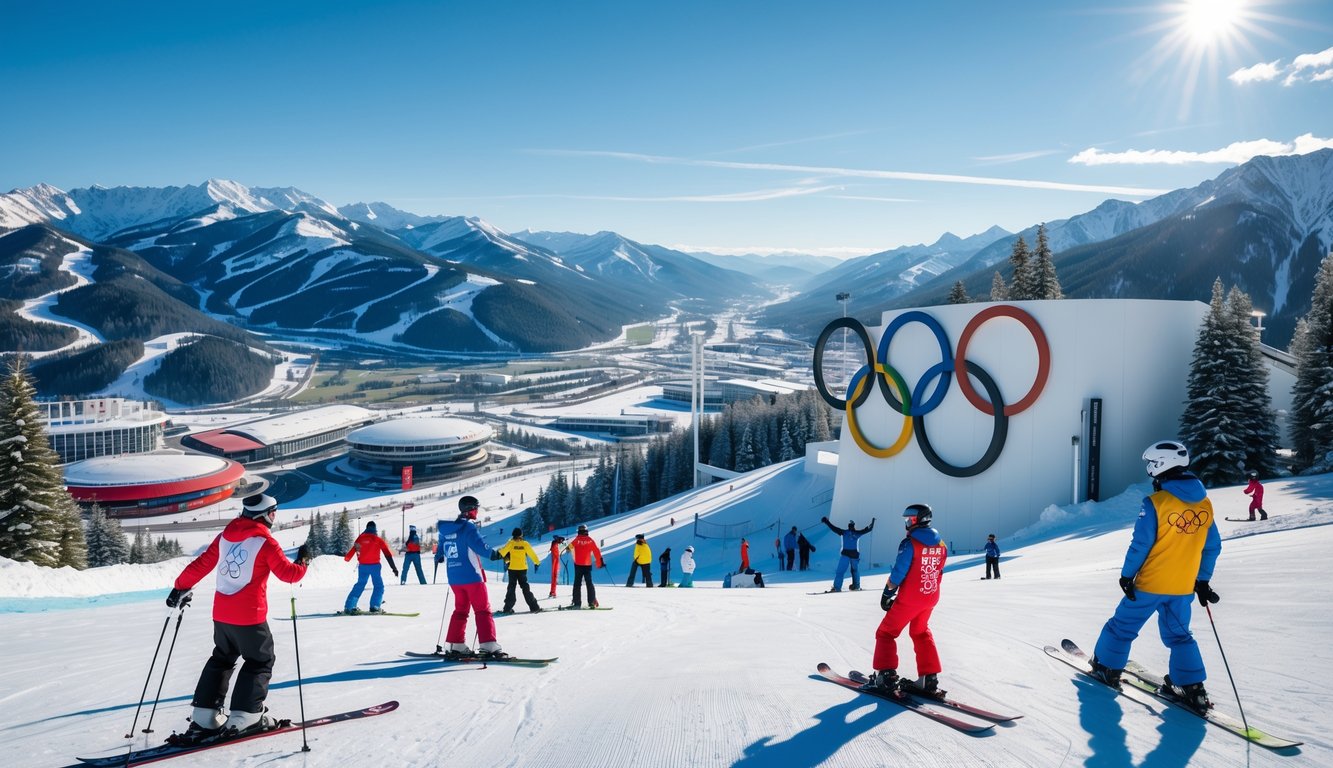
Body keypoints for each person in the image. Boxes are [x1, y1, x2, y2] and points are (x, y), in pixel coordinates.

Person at [1089, 441, 1222, 713]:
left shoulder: (1155, 503)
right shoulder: (1205, 505)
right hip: (1182, 587)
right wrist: (1202, 580)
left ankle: (1106, 667)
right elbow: (1212, 546)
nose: (1149, 469)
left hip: (1150, 584)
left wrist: (1127, 575)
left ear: (1161, 465)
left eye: (1152, 464)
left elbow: (1141, 544)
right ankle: (1190, 686)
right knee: (1180, 636)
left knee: (1122, 626)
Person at [166, 494, 311, 740]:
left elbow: (202, 564)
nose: (274, 518)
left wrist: (179, 586)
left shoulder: (225, 537)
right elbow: (289, 575)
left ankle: (204, 716)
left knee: (222, 658)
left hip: (222, 615)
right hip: (249, 617)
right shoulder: (266, 543)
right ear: (264, 515)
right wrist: (304, 562)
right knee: (260, 660)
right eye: (273, 513)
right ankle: (246, 716)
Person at [861, 504, 947, 695]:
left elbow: (899, 572)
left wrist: (887, 593)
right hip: (930, 596)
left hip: (910, 598)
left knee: (886, 633)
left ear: (918, 520)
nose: (907, 523)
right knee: (920, 632)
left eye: (910, 519)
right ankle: (928, 678)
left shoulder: (910, 543)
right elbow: (938, 570)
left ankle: (886, 676)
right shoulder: (941, 544)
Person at [435, 496, 506, 658]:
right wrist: (495, 554)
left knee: (460, 610)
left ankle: (455, 644)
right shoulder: (468, 528)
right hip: (472, 576)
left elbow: (440, 549)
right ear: (470, 510)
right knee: (482, 610)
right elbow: (480, 546)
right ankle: (488, 645)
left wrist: (439, 556)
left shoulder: (447, 529)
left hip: (454, 578)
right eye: (476, 508)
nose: (477, 511)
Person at [343, 521, 398, 614]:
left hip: (363, 566)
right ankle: (375, 606)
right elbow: (387, 554)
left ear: (367, 528)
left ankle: (349, 606)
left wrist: (347, 558)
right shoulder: (377, 539)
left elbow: (350, 554)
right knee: (378, 586)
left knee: (360, 585)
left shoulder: (360, 539)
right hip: (375, 567)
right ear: (374, 528)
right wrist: (394, 568)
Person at [821, 516, 875, 591]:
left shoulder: (844, 532)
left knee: (840, 571)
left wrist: (827, 522)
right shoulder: (857, 533)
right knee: (854, 571)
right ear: (854, 526)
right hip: (854, 555)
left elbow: (834, 528)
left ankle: (837, 588)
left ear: (849, 526)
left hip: (846, 554)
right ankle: (856, 586)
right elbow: (868, 529)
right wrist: (872, 523)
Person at [497, 528, 543, 614]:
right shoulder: (525, 544)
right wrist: (537, 562)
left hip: (512, 569)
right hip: (522, 569)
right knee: (525, 587)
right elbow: (532, 554)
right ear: (521, 535)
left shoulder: (510, 543)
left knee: (511, 588)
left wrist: (501, 553)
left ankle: (507, 608)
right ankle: (534, 607)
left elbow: (503, 553)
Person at [564, 524, 605, 608]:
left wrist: (567, 546)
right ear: (586, 531)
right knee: (589, 583)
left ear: (579, 531)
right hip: (587, 565)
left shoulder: (576, 540)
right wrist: (600, 563)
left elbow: (568, 548)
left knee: (577, 584)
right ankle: (591, 602)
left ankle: (577, 603)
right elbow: (596, 551)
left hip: (578, 565)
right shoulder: (590, 540)